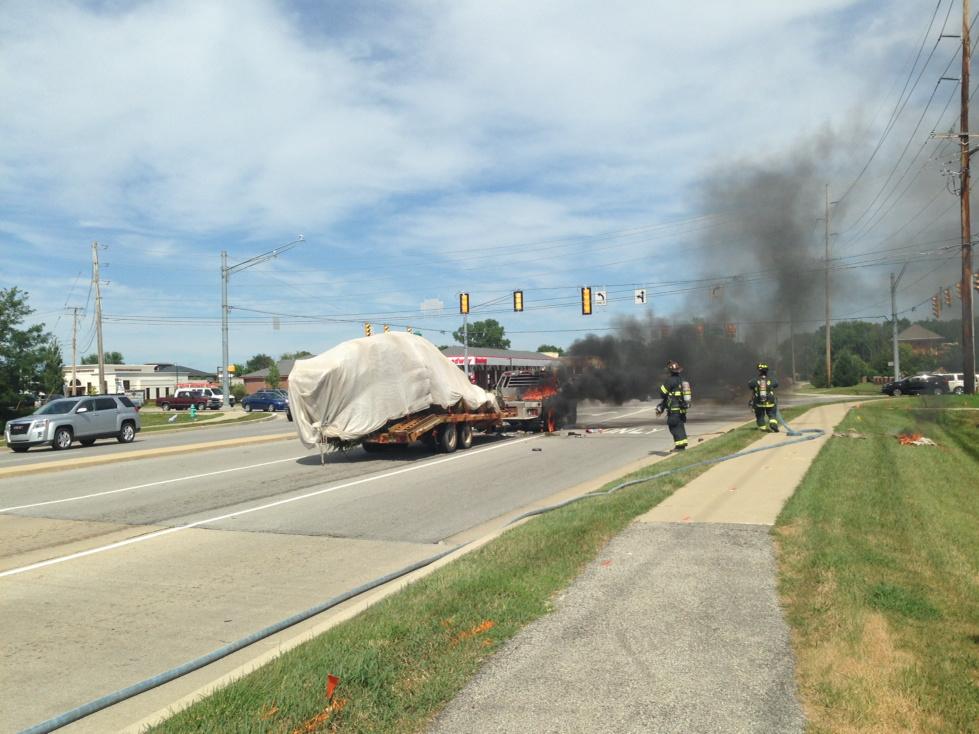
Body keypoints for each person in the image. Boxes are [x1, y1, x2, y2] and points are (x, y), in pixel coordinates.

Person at [656, 360, 690, 451]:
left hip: (674, 409)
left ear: (670, 371)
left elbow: (662, 393)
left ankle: (680, 447)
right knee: (679, 426)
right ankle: (681, 445)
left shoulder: (670, 380)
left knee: (674, 426)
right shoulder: (681, 380)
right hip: (682, 409)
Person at [749, 362, 779, 432]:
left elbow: (751, 387)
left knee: (760, 416)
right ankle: (773, 424)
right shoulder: (772, 380)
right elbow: (776, 384)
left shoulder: (754, 381)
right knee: (772, 414)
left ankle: (763, 428)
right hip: (770, 401)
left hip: (759, 403)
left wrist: (751, 401)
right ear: (767, 371)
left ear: (759, 371)